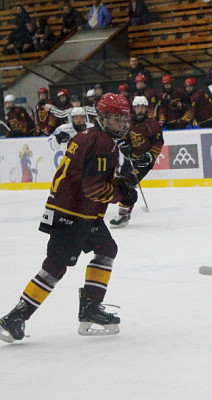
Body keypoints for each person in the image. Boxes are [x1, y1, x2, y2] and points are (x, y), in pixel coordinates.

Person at [0, 93, 136, 344]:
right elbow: (94, 189)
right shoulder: (102, 142)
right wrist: (120, 194)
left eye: (123, 119)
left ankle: (91, 308)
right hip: (73, 214)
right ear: (102, 118)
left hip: (80, 212)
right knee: (55, 266)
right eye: (116, 119)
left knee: (106, 248)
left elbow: (88, 179)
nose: (121, 124)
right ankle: (15, 317)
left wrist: (118, 184)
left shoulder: (90, 136)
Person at [110, 96, 163, 227]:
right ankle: (126, 212)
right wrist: (123, 144)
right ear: (134, 108)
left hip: (144, 161)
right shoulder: (128, 121)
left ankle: (123, 214)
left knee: (127, 181)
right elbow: (121, 136)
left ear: (146, 109)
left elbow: (158, 142)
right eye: (137, 107)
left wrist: (150, 156)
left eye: (142, 107)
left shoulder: (153, 124)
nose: (140, 110)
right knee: (121, 181)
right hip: (130, 158)